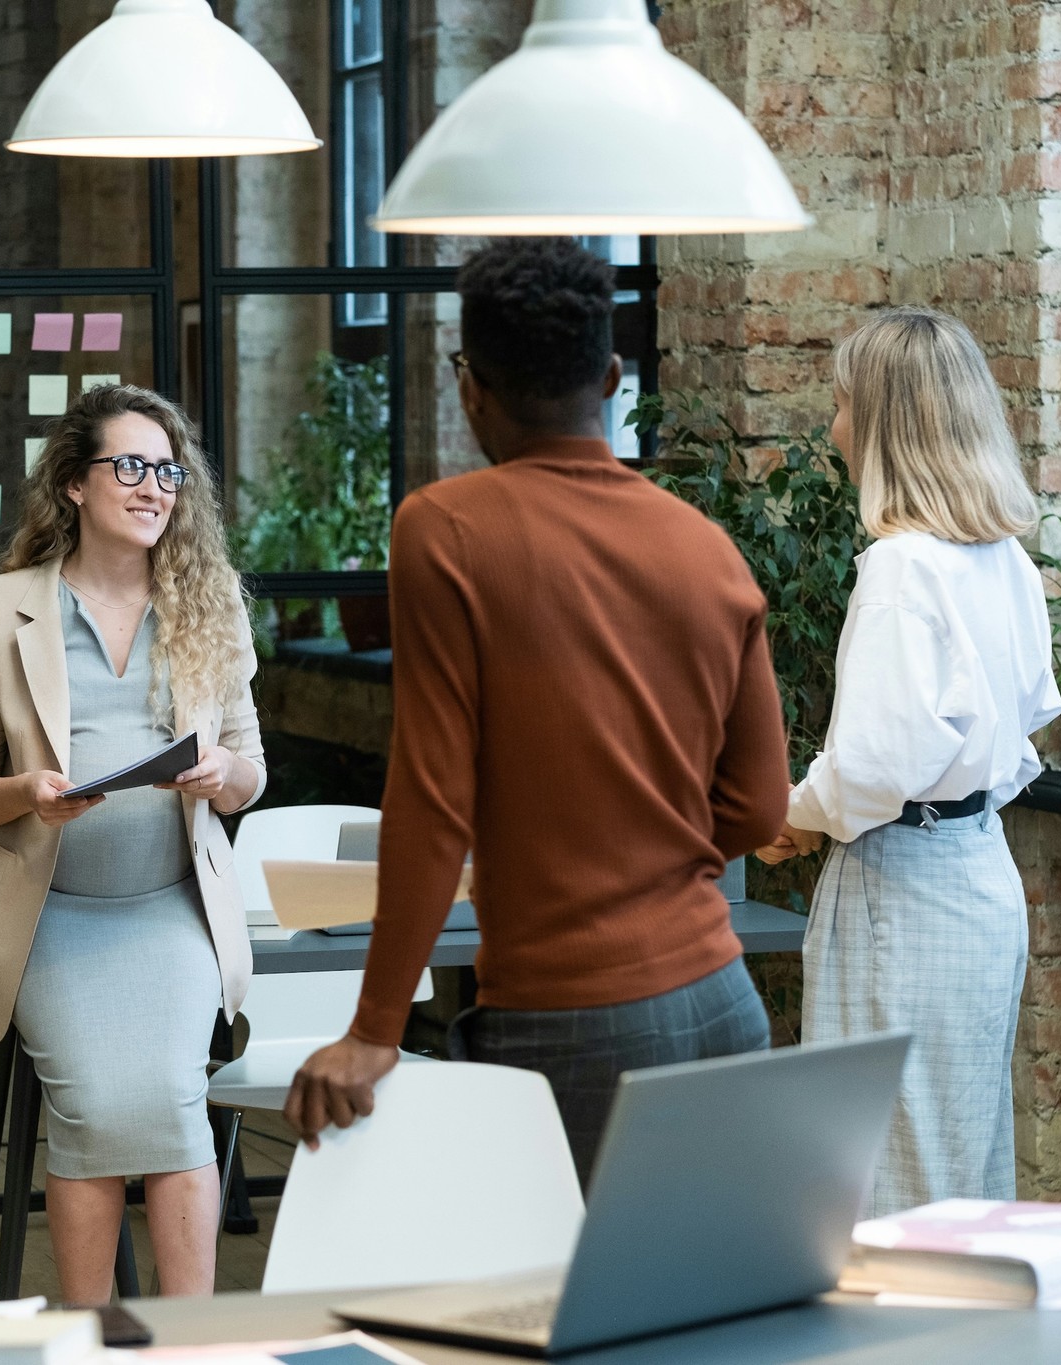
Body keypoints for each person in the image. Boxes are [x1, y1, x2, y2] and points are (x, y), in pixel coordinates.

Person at [285, 238, 793, 1181]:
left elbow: (434, 802)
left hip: (570, 1022)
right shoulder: (706, 547)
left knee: (548, 1317)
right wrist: (637, 849)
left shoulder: (444, 530)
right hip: (722, 1002)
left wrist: (374, 1030)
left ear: (470, 385)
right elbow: (762, 808)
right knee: (699, 1313)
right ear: (607, 375)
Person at [0, 383, 266, 1305]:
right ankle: (94, 1336)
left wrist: (217, 778)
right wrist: (27, 795)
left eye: (167, 470)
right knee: (89, 1102)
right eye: (130, 466)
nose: (154, 486)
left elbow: (251, 768)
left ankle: (186, 1336)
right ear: (75, 484)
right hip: (52, 918)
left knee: (168, 1095)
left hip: (173, 911)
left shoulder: (212, 605)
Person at [756, 306, 1061, 1218]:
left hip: (905, 887)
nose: (833, 426)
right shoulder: (1002, 556)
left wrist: (792, 812)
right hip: (980, 873)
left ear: (886, 421)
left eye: (844, 403)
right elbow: (1027, 724)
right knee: (963, 1170)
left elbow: (873, 767)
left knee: (888, 1187)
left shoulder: (900, 568)